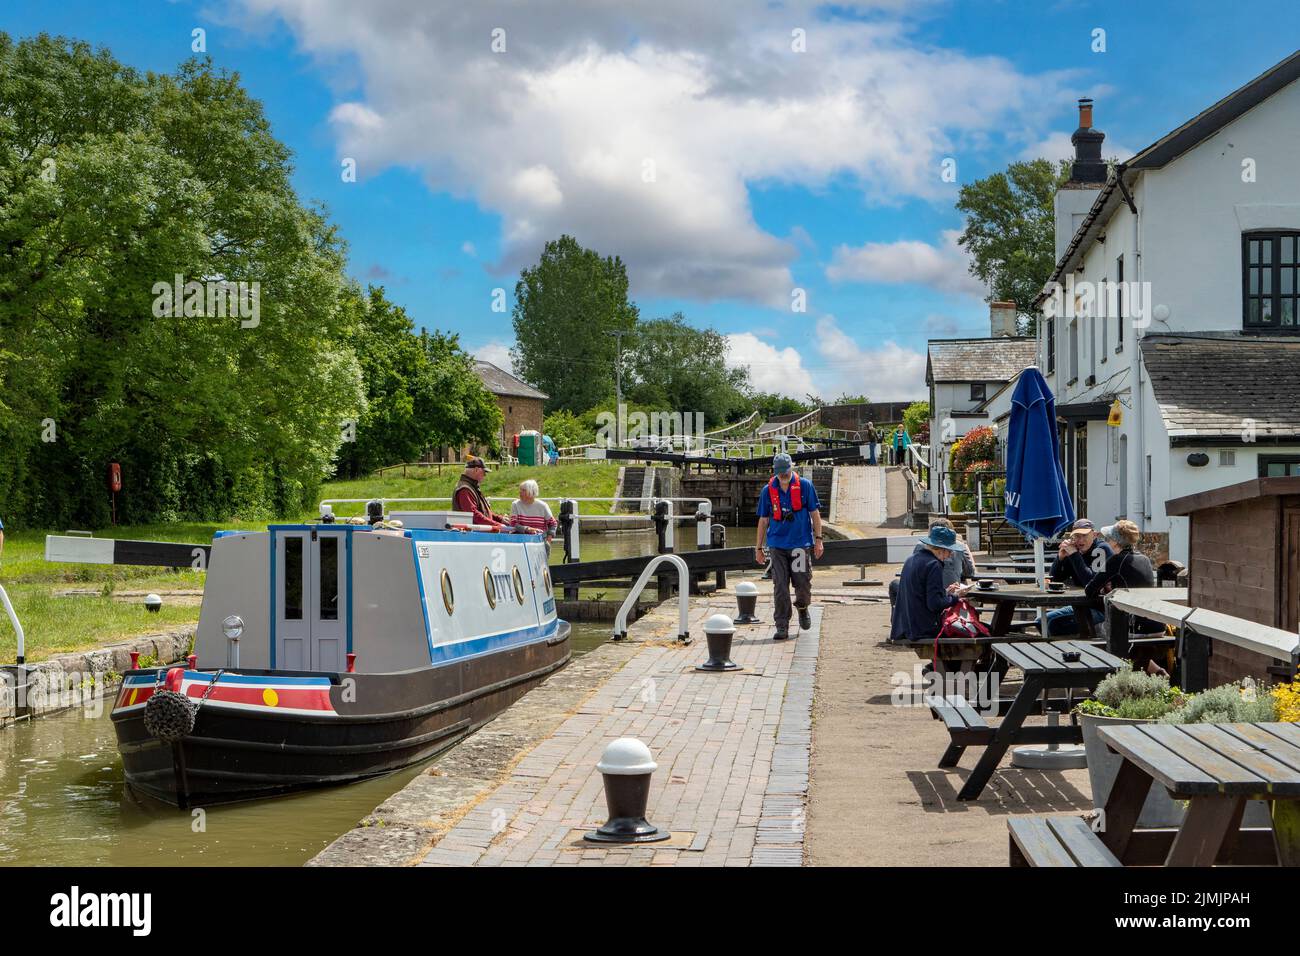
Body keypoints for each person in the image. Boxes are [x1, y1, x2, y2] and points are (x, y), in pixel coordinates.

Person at [755, 453, 824, 641]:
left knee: (802, 583)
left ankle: (802, 607)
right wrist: (759, 548)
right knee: (780, 586)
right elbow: (763, 520)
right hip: (777, 546)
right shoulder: (767, 491)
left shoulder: (805, 486)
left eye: (785, 472)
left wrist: (818, 540)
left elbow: (815, 514)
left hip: (800, 545)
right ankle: (782, 625)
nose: (783, 476)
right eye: (779, 473)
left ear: (791, 469)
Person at [890, 524, 973, 642]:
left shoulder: (911, 559)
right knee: (978, 630)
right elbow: (934, 605)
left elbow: (922, 594)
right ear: (941, 549)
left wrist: (945, 592)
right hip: (924, 629)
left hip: (907, 627)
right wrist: (955, 597)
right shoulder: (934, 565)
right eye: (950, 551)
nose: (951, 555)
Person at [1081, 521, 1164, 633]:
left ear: (1115, 542)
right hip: (1155, 624)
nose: (1106, 541)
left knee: (1087, 629)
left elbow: (1089, 590)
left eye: (1108, 538)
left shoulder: (1116, 560)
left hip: (1132, 628)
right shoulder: (1145, 559)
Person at [1044, 518, 1113, 635]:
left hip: (1101, 609)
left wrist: (1074, 555)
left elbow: (1091, 582)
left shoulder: (1101, 549)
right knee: (1041, 621)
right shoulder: (1074, 551)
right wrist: (1060, 558)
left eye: (1084, 536)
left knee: (1054, 625)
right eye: (1077, 536)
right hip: (1079, 606)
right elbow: (1054, 580)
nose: (1080, 540)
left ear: (1094, 535)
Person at [452, 457, 512, 531]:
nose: (485, 475)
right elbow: (474, 515)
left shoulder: (470, 487)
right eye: (484, 472)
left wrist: (500, 519)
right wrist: (498, 525)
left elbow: (482, 512)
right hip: (472, 535)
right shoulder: (465, 489)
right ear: (476, 470)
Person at [510, 479, 557, 546]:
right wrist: (527, 529)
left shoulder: (543, 506)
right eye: (520, 490)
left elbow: (553, 524)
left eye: (523, 490)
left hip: (539, 542)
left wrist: (548, 541)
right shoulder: (515, 504)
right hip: (520, 542)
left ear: (531, 491)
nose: (520, 492)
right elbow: (513, 524)